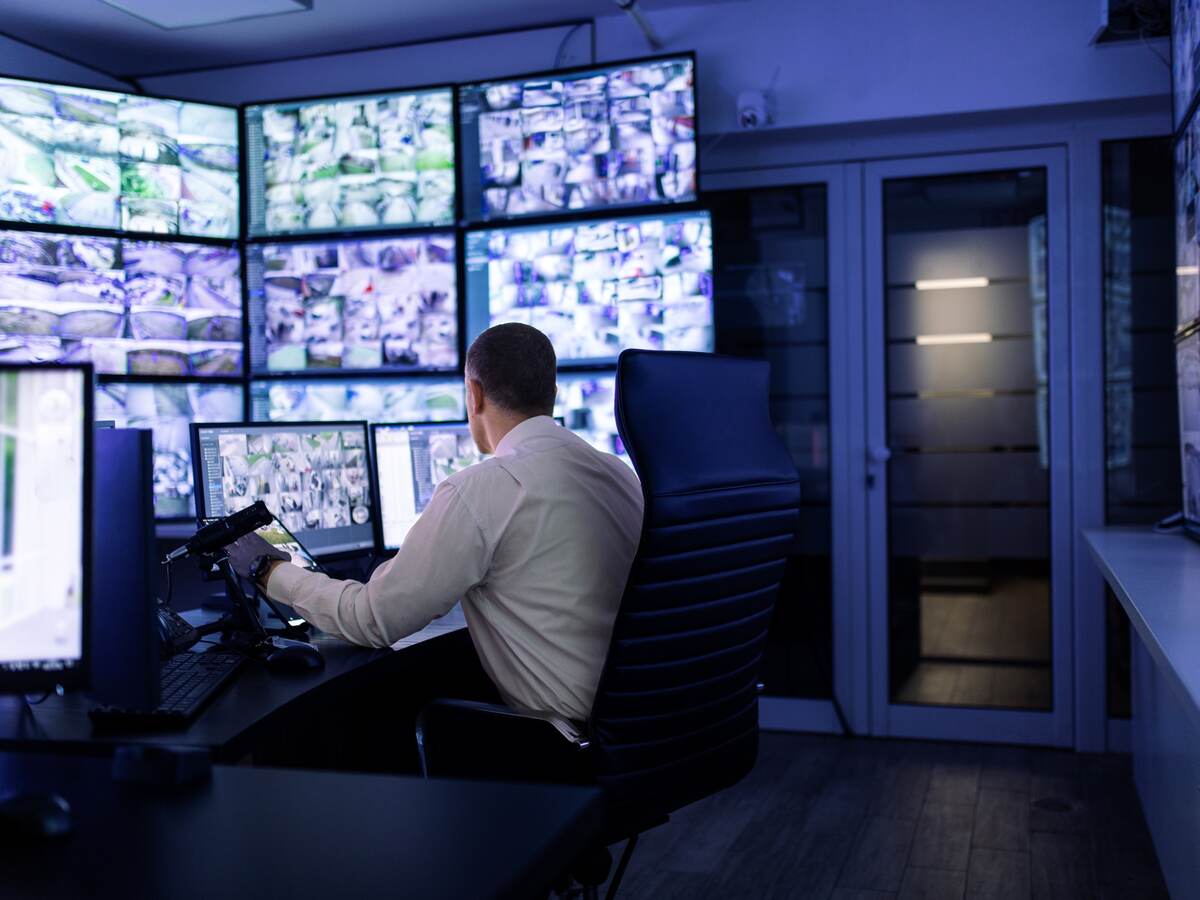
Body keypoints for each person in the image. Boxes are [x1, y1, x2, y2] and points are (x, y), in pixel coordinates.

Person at [227, 323, 644, 733]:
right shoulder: (620, 474)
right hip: (642, 728)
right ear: (553, 393)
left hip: (558, 744)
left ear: (474, 395)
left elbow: (373, 618)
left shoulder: (483, 490)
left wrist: (268, 569)